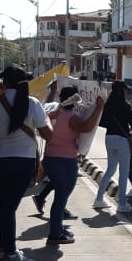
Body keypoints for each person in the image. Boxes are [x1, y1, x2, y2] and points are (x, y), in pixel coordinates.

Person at [0, 66, 52, 261]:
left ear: (5, 83)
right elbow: (47, 135)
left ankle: (1, 248)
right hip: (23, 161)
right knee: (9, 207)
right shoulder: (32, 104)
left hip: (0, 160)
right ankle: (10, 252)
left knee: (5, 205)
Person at [43, 87, 104, 245]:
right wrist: (98, 108)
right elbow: (87, 127)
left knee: (59, 197)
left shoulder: (53, 113)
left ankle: (57, 228)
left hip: (50, 158)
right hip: (65, 160)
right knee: (60, 200)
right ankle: (55, 234)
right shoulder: (71, 117)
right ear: (76, 99)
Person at [95, 81, 132, 213]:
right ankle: (122, 203)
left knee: (110, 169)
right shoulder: (126, 106)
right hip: (122, 140)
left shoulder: (108, 105)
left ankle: (99, 198)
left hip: (109, 138)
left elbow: (102, 122)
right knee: (123, 173)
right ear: (123, 91)